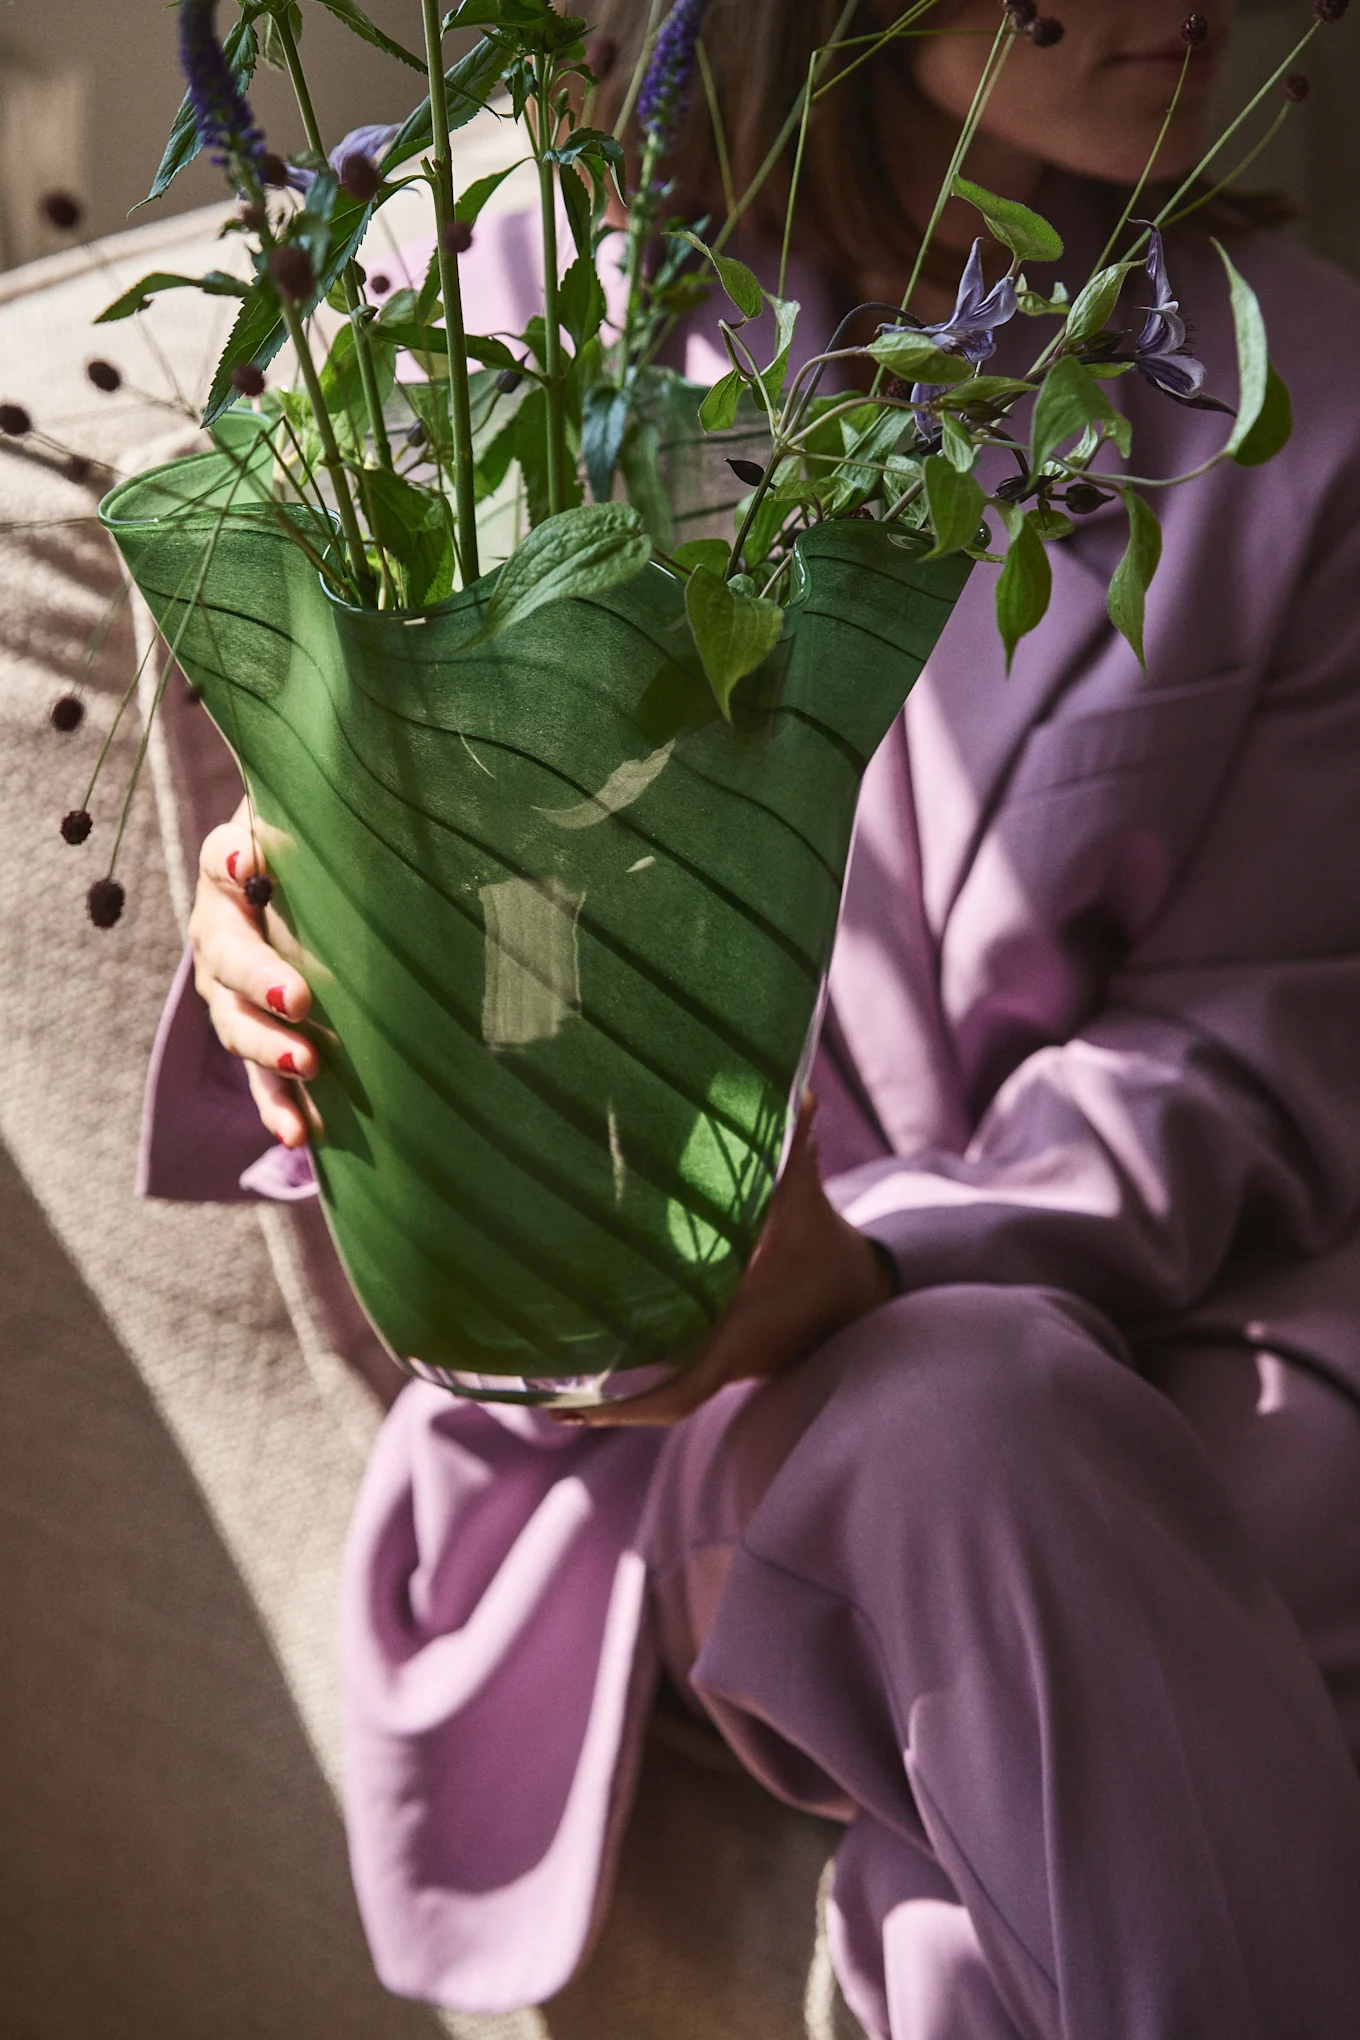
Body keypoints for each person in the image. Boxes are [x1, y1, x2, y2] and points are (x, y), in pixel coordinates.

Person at [152, 1, 1360, 2032]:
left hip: (1176, 1345)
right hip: (663, 1395)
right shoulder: (513, 295)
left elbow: (1249, 1046)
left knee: (980, 1478)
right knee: (968, 1438)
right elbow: (445, 868)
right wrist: (306, 943)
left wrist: (869, 1266)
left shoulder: (1298, 399)